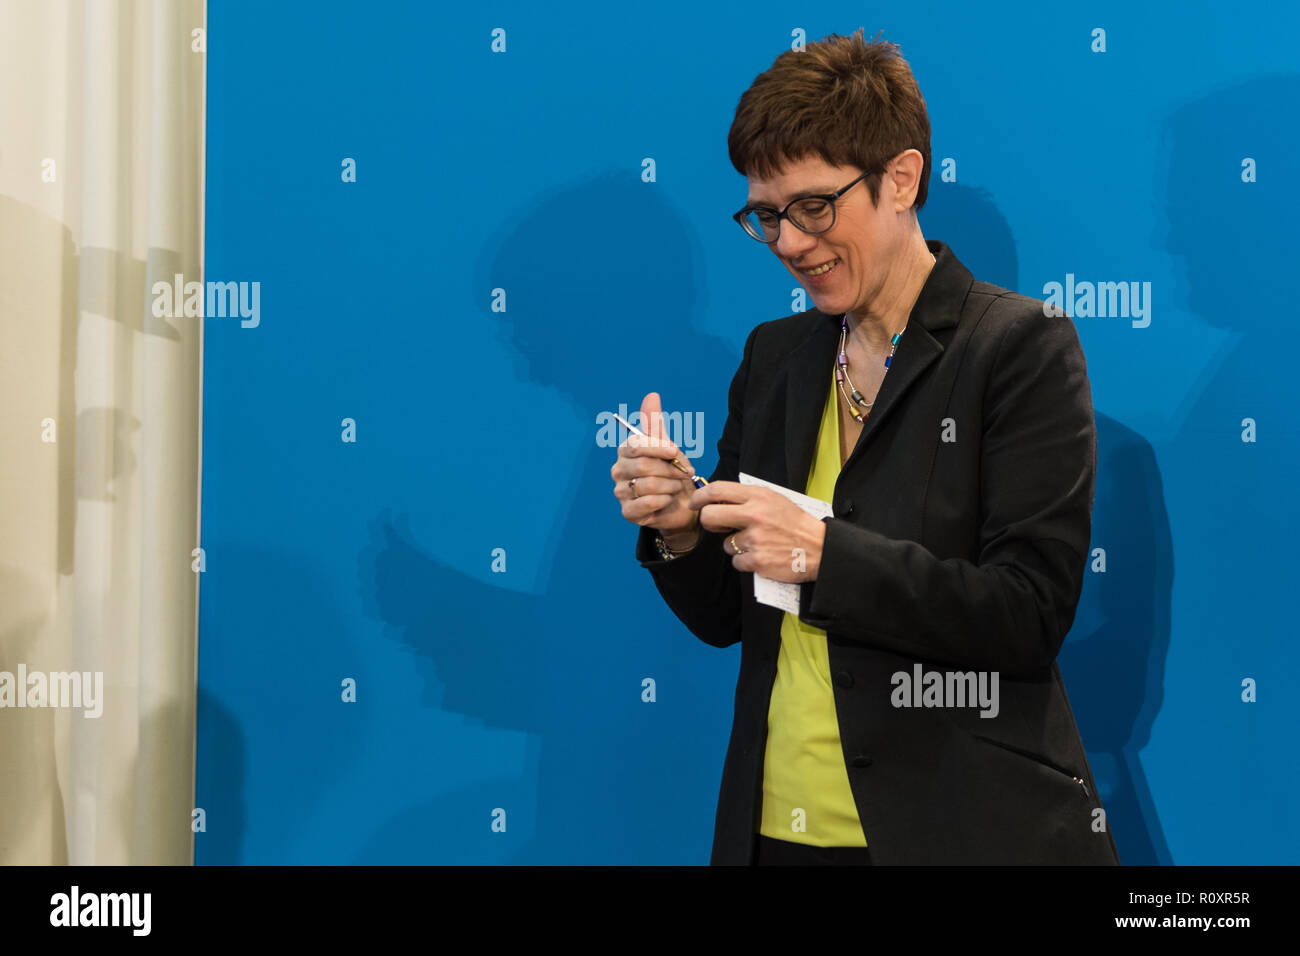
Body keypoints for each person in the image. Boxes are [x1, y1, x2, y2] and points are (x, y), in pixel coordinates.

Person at [610, 29, 1121, 866]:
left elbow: (1026, 616)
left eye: (814, 207)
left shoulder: (1018, 347)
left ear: (902, 178)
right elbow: (723, 616)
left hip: (957, 833)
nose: (789, 242)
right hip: (776, 829)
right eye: (766, 216)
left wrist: (823, 554)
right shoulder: (776, 356)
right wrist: (677, 527)